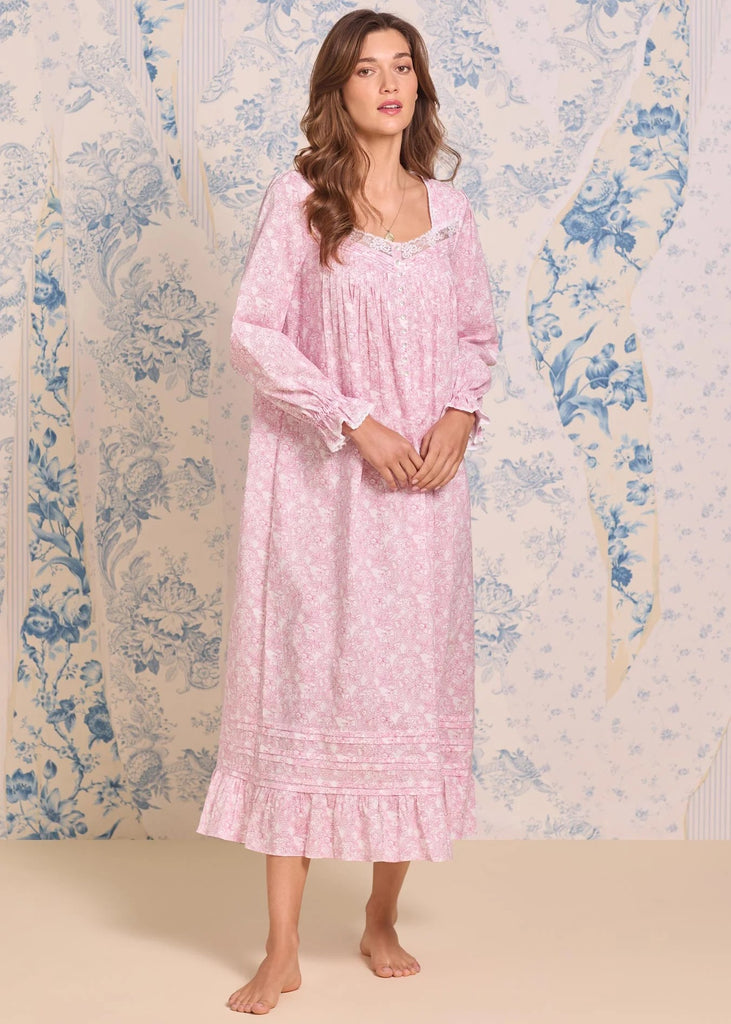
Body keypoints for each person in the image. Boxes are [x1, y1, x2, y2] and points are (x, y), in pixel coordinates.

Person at [196, 8, 499, 1015]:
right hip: (318, 497)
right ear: (337, 89)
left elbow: (474, 335)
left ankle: (378, 916)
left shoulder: (449, 211)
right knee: (302, 695)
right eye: (367, 70)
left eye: (402, 67)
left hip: (420, 499)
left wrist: (457, 414)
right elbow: (254, 331)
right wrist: (351, 417)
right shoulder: (300, 200)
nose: (389, 84)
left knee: (404, 698)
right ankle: (281, 947)